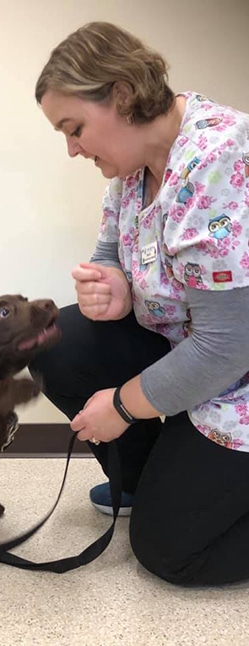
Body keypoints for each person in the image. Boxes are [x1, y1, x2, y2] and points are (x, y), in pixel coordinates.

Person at [30, 21, 249, 586]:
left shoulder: (218, 159)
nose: (72, 148)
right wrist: (113, 288)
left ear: (122, 95)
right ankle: (156, 483)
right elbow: (110, 252)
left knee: (168, 552)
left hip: (237, 375)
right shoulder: (131, 172)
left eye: (74, 128)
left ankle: (183, 500)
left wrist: (124, 407)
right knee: (64, 340)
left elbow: (228, 347)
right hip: (197, 363)